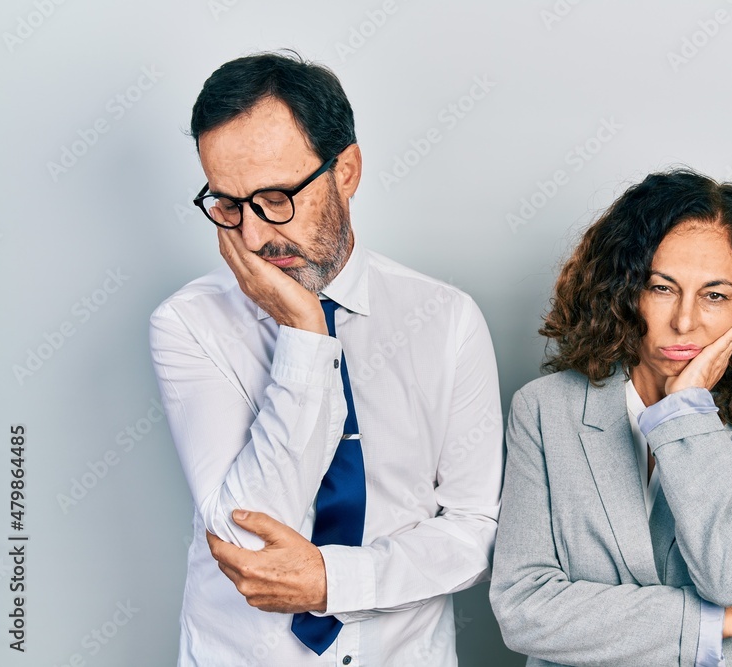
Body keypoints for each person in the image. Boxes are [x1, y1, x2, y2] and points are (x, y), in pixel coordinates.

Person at [149, 51, 502, 666]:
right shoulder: (189, 324)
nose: (255, 237)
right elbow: (243, 534)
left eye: (278, 197)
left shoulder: (446, 320)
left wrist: (332, 582)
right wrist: (304, 337)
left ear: (347, 172)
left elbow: (473, 532)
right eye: (228, 205)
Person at [489, 169, 732, 666]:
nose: (685, 320)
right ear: (624, 290)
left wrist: (686, 410)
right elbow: (523, 609)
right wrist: (712, 622)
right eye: (662, 288)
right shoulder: (545, 408)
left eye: (715, 295)